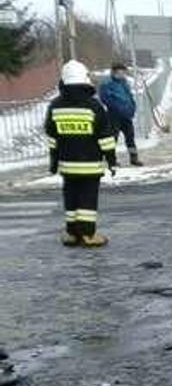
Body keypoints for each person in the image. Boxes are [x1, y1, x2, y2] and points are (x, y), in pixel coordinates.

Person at [44, 60, 117, 248]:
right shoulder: (93, 106)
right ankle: (87, 234)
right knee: (87, 198)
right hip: (90, 164)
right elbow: (105, 136)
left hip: (67, 164)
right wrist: (111, 159)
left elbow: (52, 137)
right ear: (85, 79)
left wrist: (53, 161)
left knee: (71, 197)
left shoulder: (55, 106)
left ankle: (72, 233)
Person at [98, 62, 143, 166]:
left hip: (126, 116)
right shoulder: (107, 84)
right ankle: (111, 160)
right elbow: (105, 99)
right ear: (114, 72)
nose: (122, 74)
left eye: (123, 72)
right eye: (120, 72)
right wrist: (117, 108)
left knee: (130, 137)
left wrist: (132, 108)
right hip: (114, 116)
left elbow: (130, 97)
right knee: (113, 138)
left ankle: (134, 158)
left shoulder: (124, 83)